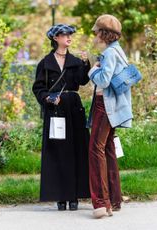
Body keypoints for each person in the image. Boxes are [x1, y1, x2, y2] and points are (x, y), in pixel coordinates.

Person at [32, 24, 91, 211]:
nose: (69, 38)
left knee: (76, 151)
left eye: (70, 35)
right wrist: (48, 98)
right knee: (57, 153)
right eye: (65, 35)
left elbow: (82, 81)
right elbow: (38, 88)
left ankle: (74, 196)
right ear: (55, 38)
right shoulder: (45, 63)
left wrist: (86, 63)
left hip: (73, 108)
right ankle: (60, 196)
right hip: (55, 110)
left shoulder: (75, 61)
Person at [88, 14, 133, 218]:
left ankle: (100, 203)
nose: (95, 35)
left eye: (97, 31)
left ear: (103, 33)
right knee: (108, 150)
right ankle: (114, 200)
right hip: (114, 106)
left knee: (95, 150)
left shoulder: (108, 54)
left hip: (104, 105)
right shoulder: (119, 51)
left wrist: (92, 71)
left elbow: (104, 81)